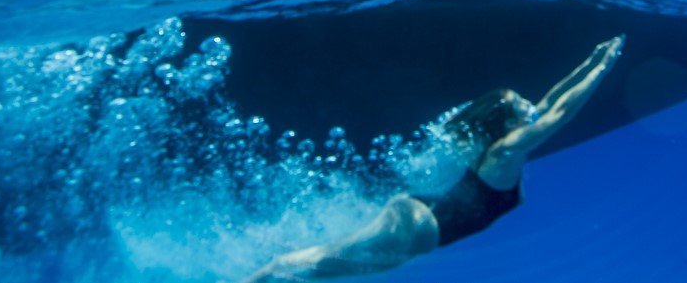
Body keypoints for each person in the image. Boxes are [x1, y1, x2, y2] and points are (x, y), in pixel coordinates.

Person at [243, 35, 625, 282]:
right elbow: (561, 114)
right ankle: (257, 276)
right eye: (520, 105)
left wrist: (590, 62)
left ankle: (264, 273)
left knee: (333, 262)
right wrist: (605, 69)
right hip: (415, 228)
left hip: (417, 219)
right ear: (507, 123)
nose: (531, 106)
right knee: (324, 265)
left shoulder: (501, 150)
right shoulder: (505, 153)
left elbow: (550, 103)